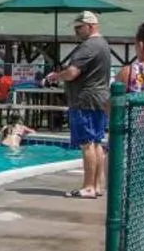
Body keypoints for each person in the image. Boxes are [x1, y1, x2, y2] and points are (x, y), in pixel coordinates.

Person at [42, 10, 113, 200]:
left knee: (87, 143)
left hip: (84, 100)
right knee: (97, 142)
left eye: (79, 27)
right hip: (99, 99)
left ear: (91, 26)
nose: (76, 31)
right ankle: (97, 185)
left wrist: (56, 76)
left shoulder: (89, 46)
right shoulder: (104, 44)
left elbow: (73, 72)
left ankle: (88, 186)